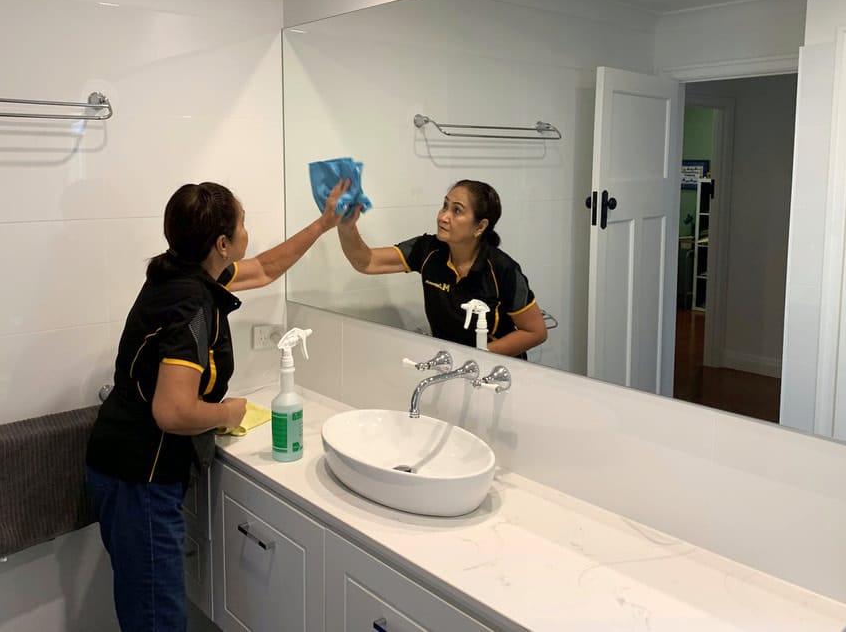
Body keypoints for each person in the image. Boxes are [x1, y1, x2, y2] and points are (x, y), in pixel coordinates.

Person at [85, 178, 348, 632]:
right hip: (140, 478)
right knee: (156, 620)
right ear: (223, 243)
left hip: (122, 466)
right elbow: (173, 412)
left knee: (146, 609)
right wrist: (230, 411)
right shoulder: (191, 303)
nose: (249, 233)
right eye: (243, 224)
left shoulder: (182, 271)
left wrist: (325, 224)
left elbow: (265, 268)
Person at [337, 179, 547, 357]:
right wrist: (346, 225)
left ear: (480, 227)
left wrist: (478, 356)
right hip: (450, 366)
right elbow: (365, 261)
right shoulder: (428, 250)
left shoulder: (503, 269)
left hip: (496, 373)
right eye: (445, 206)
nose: (443, 216)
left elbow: (535, 332)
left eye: (457, 211)